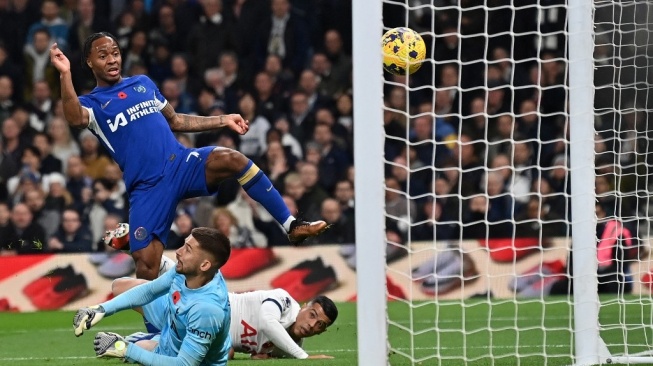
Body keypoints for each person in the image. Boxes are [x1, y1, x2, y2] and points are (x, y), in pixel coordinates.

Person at [50, 32, 328, 280]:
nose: (111, 60)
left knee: (233, 159)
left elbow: (176, 121)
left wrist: (223, 120)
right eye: (102, 56)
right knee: (146, 267)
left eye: (115, 53)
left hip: (181, 163)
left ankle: (291, 225)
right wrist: (65, 73)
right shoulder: (93, 104)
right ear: (89, 62)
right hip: (148, 187)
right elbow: (74, 117)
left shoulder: (142, 83)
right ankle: (155, 335)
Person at [72, 227, 232, 365]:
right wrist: (101, 309)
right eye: (184, 244)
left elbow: (183, 364)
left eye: (188, 249)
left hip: (186, 359)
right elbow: (150, 291)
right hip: (174, 329)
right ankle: (157, 337)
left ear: (204, 265)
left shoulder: (206, 309)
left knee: (139, 349)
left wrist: (124, 349)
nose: (178, 252)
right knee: (120, 286)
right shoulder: (187, 270)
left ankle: (147, 341)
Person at [111, 277, 337, 360]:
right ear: (305, 306)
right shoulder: (284, 300)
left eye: (320, 325)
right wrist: (304, 357)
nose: (311, 325)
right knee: (119, 287)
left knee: (222, 353)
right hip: (206, 308)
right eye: (312, 315)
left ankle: (144, 340)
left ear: (322, 331)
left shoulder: (289, 346)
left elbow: (259, 354)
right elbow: (268, 323)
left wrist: (263, 357)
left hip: (213, 338)